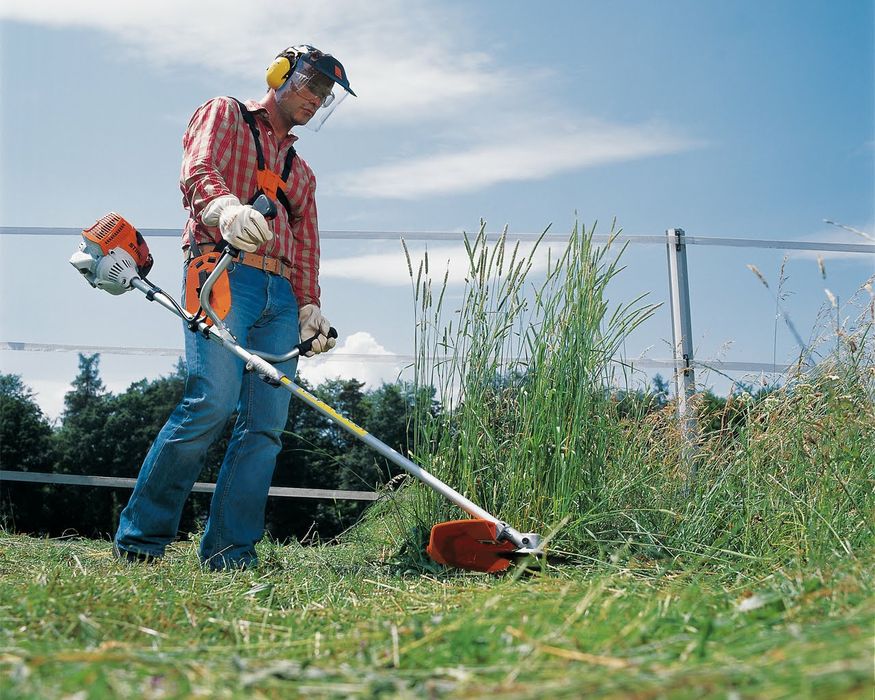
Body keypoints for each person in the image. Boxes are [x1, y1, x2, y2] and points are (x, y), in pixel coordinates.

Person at [114, 45, 355, 570]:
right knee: (210, 402)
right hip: (220, 272)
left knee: (265, 427)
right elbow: (198, 168)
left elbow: (307, 243)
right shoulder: (225, 113)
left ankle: (229, 553)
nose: (317, 99)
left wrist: (310, 306)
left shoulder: (303, 174)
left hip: (280, 298)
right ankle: (141, 541)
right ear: (280, 74)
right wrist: (225, 210)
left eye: (326, 94)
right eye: (310, 84)